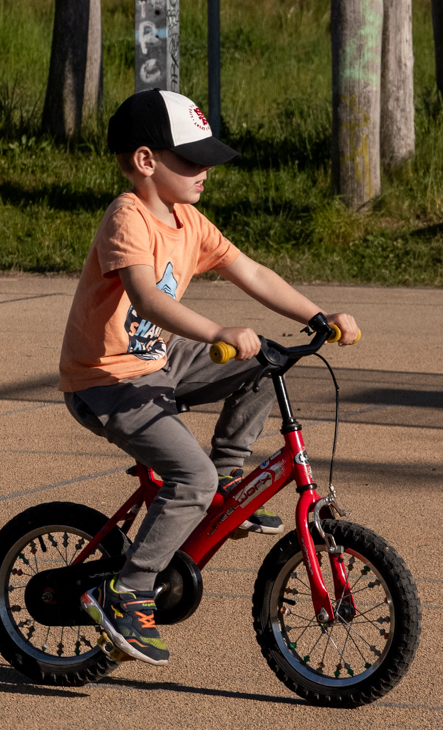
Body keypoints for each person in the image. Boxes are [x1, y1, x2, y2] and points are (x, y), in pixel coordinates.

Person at [59, 90, 361, 668]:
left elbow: (251, 271)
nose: (205, 173)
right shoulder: (129, 216)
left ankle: (226, 475)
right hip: (106, 381)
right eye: (191, 160)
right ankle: (128, 588)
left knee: (263, 358)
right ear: (146, 161)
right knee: (186, 477)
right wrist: (218, 328)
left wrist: (317, 316)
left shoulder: (187, 220)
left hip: (158, 367)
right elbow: (147, 300)